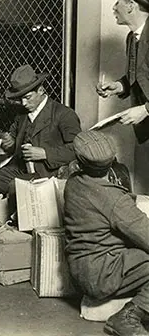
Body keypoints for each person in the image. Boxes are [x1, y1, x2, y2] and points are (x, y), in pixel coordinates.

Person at [64, 130, 149, 336]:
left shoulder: (73, 182)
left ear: (80, 162)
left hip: (79, 269)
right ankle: (126, 318)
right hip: (104, 274)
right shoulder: (115, 200)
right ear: (112, 164)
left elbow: (100, 200)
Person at [0, 64, 81, 211]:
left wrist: (45, 153)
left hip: (48, 174)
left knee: (16, 187)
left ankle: (18, 230)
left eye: (28, 97)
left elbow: (77, 149)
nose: (24, 103)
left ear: (41, 90)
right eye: (20, 99)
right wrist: (10, 144)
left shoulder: (64, 114)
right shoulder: (21, 116)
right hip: (21, 169)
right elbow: (13, 147)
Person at [96, 0, 149, 144]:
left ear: (131, 5)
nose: (113, 7)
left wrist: (146, 110)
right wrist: (119, 86)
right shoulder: (132, 38)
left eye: (117, 2)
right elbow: (142, 75)